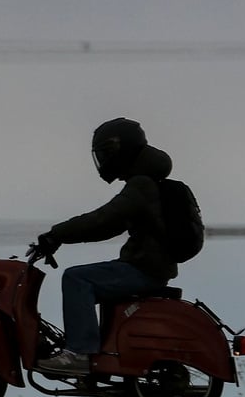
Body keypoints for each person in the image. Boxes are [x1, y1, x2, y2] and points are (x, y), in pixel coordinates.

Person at [31, 117, 178, 375]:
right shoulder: (145, 184)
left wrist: (56, 235)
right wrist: (61, 238)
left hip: (143, 269)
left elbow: (104, 218)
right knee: (85, 277)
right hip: (147, 266)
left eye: (107, 153)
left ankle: (80, 353)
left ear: (122, 150)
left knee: (77, 279)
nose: (104, 160)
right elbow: (108, 227)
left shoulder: (141, 186)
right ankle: (96, 350)